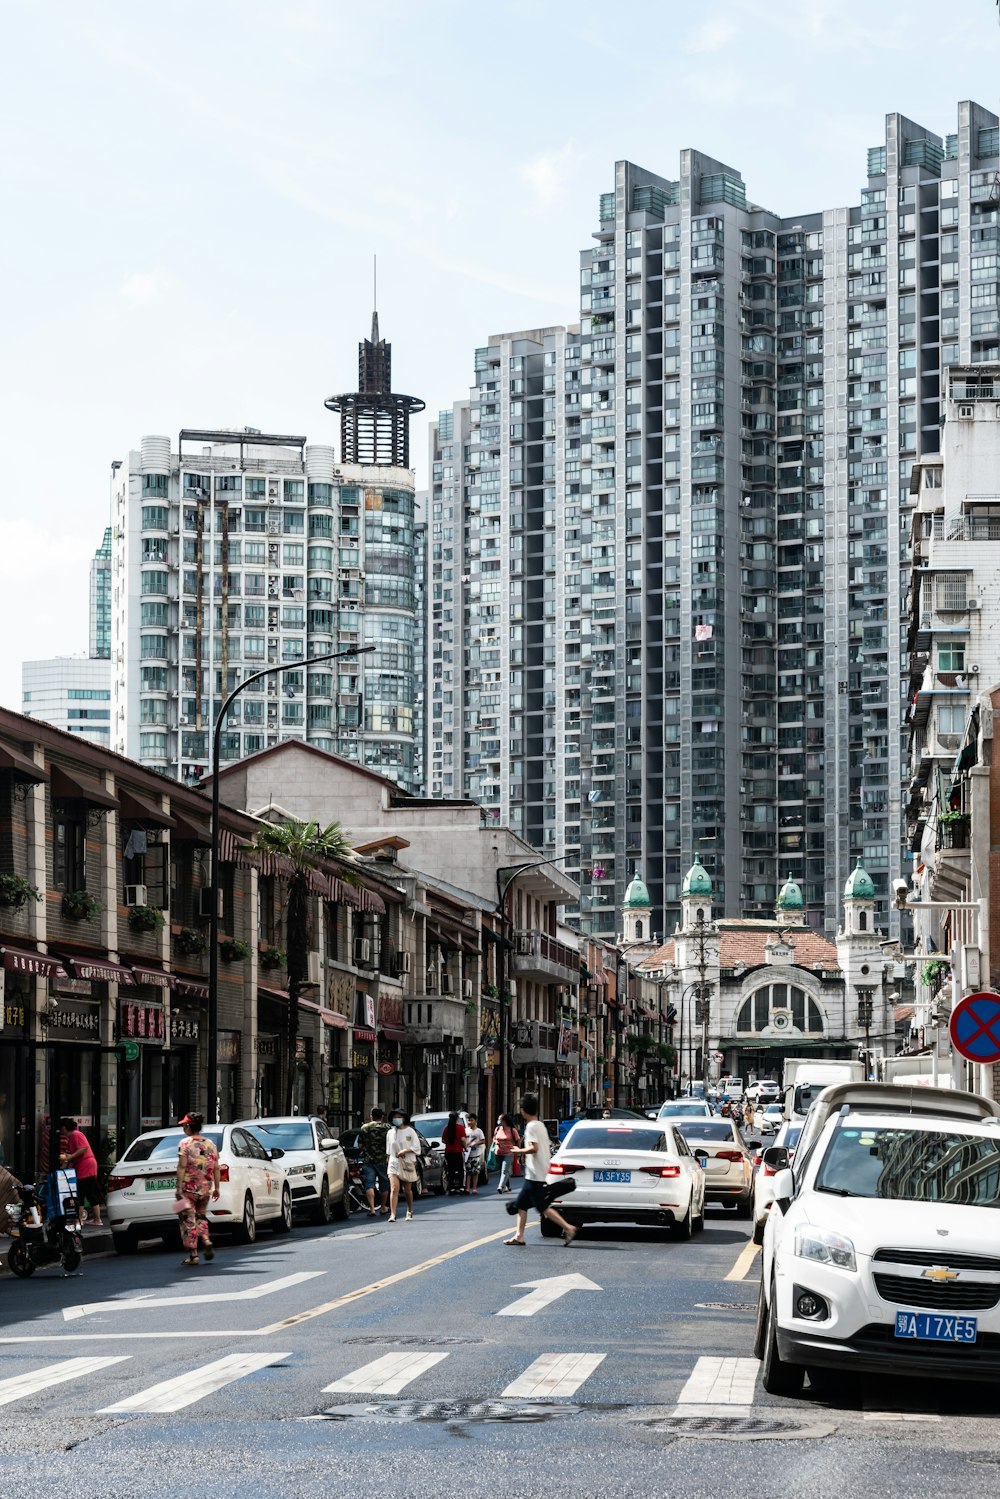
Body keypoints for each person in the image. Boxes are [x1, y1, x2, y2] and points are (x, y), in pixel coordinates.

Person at [505, 1093, 576, 1247]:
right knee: (521, 1204)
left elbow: (534, 1147)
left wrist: (519, 1151)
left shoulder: (531, 1127)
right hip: (538, 1171)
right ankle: (519, 1236)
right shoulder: (540, 1125)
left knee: (541, 1206)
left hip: (535, 1174)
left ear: (523, 1110)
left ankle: (568, 1228)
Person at [175, 1112, 220, 1267]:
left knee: (188, 1220)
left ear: (188, 1126)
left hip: (188, 1188)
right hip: (205, 1188)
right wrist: (217, 1188)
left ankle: (193, 1255)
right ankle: (206, 1239)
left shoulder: (185, 1143)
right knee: (201, 1216)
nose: (183, 1128)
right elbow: (216, 1168)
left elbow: (182, 1166)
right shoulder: (210, 1144)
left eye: (184, 1125)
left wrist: (178, 1187)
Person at [59, 1118, 102, 1227]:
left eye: (61, 1129)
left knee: (80, 1194)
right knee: (90, 1193)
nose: (60, 1131)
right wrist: (61, 1169)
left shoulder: (76, 1134)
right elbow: (68, 1158)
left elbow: (83, 1148)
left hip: (85, 1166)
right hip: (89, 1165)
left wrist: (71, 1157)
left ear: (64, 1128)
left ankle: (79, 1220)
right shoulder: (73, 1137)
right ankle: (97, 1220)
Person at [386, 1109, 421, 1223]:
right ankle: (393, 1214)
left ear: (404, 1118)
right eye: (394, 1117)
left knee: (407, 1189)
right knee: (394, 1188)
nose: (397, 1119)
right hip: (393, 1162)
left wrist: (405, 1151)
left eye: (399, 1116)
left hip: (407, 1162)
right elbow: (388, 1151)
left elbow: (416, 1147)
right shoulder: (390, 1133)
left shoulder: (410, 1131)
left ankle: (409, 1210)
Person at [357, 1106, 391, 1217]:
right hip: (383, 1160)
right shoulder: (387, 1127)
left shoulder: (365, 1128)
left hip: (368, 1161)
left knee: (369, 1184)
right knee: (384, 1184)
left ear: (371, 1116)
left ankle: (371, 1209)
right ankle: (383, 1207)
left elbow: (360, 1145)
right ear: (382, 1116)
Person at [492, 1113, 520, 1195]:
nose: (498, 1121)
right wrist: (495, 1141)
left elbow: (517, 1140)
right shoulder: (497, 1129)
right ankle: (508, 1186)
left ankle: (501, 1187)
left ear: (504, 1121)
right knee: (503, 1170)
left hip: (509, 1153)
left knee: (504, 1170)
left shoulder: (512, 1130)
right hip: (498, 1152)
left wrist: (518, 1151)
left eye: (500, 1119)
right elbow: (494, 1138)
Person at [441, 1110, 466, 1194]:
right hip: (458, 1151)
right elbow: (463, 1140)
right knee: (460, 1170)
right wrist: (465, 1148)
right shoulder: (460, 1128)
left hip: (448, 1152)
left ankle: (451, 1188)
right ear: (457, 1118)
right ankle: (461, 1187)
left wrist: (449, 1143)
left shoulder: (446, 1128)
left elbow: (443, 1140)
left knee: (450, 1170)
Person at [464, 1112, 486, 1196]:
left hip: (476, 1154)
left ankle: (474, 1188)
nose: (470, 1122)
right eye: (468, 1120)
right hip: (467, 1155)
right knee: (468, 1172)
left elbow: (483, 1140)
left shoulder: (479, 1131)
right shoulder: (465, 1130)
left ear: (475, 1121)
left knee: (475, 1172)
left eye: (471, 1120)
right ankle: (467, 1188)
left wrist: (475, 1143)